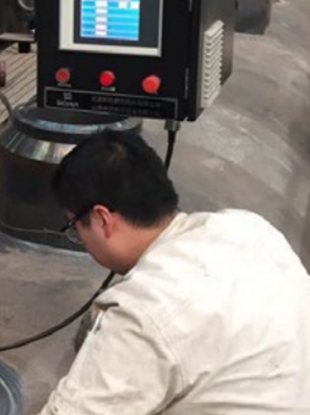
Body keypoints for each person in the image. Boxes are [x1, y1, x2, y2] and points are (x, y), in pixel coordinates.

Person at [39, 131, 310, 415]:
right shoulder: (249, 227)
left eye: (75, 229)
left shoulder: (144, 311)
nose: (81, 240)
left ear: (102, 219)